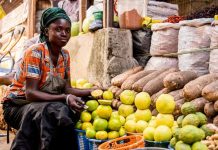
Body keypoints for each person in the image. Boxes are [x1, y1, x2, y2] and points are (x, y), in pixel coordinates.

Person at [2, 7, 93, 150]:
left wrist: (93, 91)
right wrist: (65, 98)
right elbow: (30, 93)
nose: (64, 34)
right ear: (46, 31)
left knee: (64, 110)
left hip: (43, 103)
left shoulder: (65, 55)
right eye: (58, 29)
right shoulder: (35, 52)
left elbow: (67, 89)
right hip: (17, 105)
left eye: (67, 30)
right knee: (53, 111)